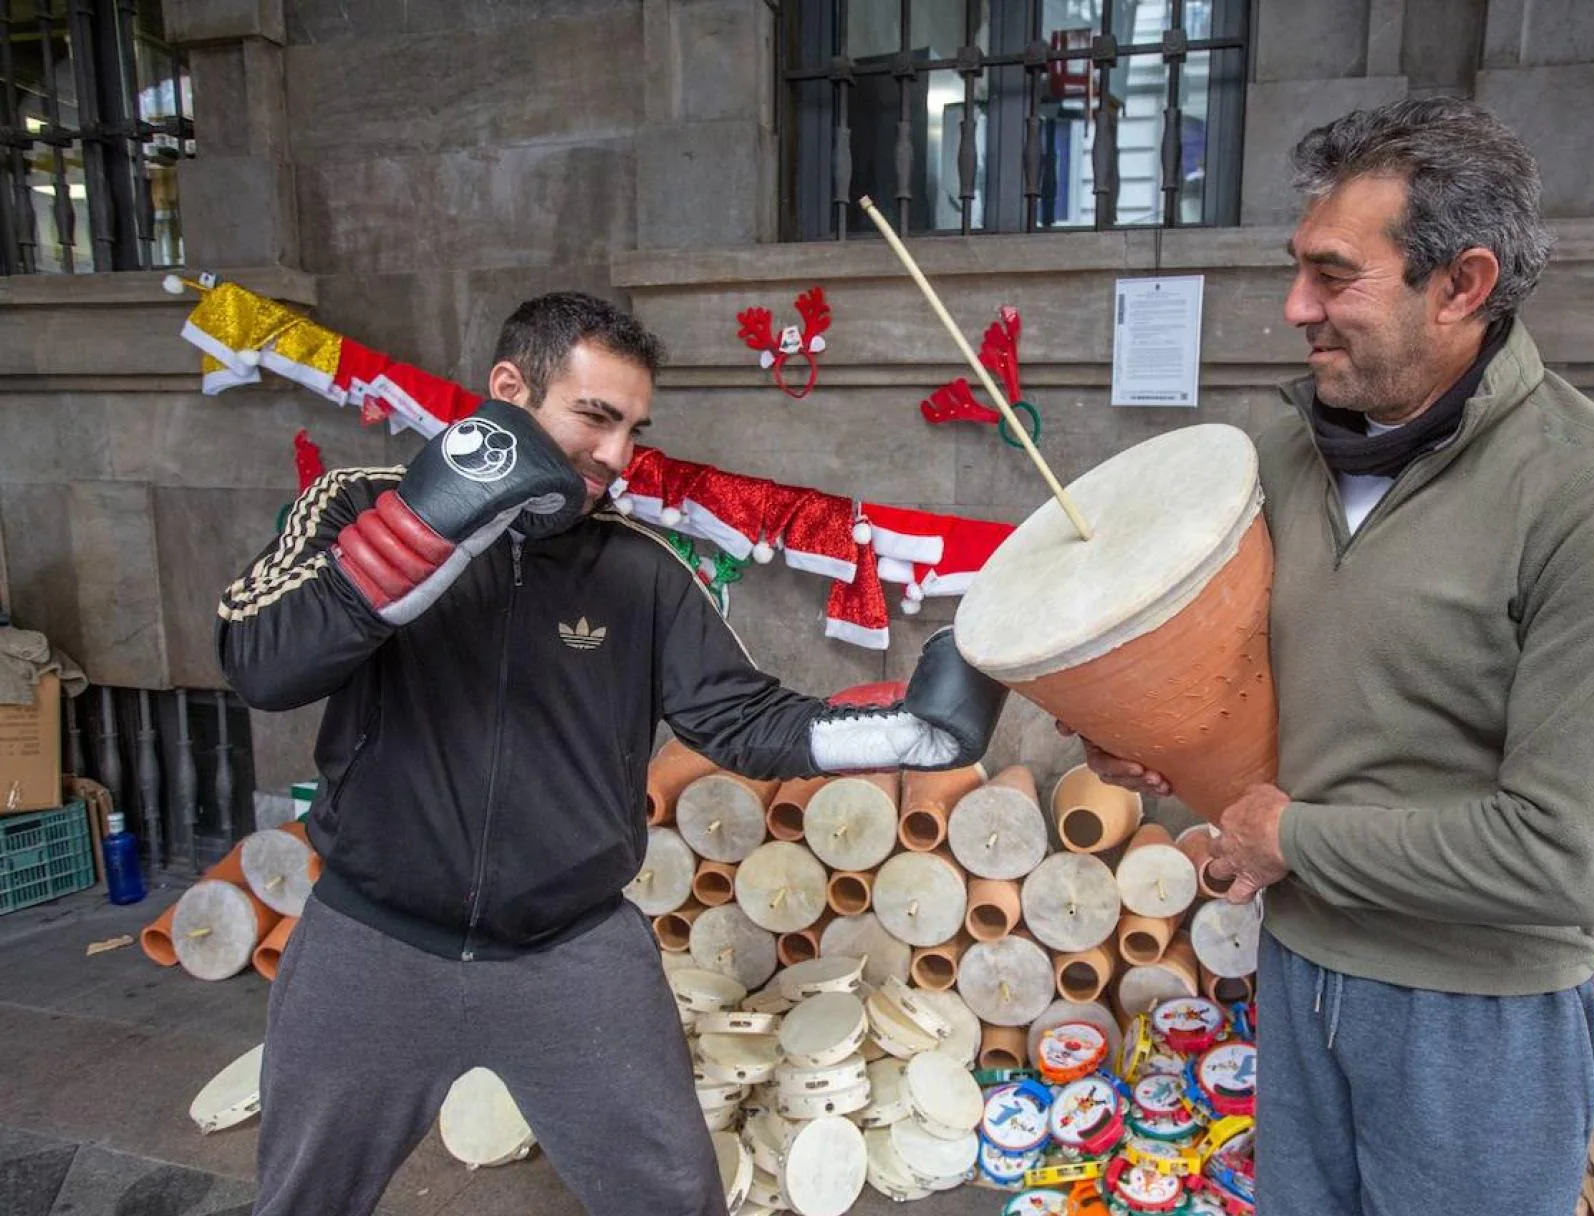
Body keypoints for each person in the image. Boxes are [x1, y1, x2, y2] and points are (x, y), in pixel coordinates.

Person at [217, 291, 1006, 1216]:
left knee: (673, 1201)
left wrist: (912, 735)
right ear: (509, 390)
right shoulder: (358, 503)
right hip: (372, 941)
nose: (617, 456)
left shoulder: (638, 568)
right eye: (596, 417)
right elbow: (262, 662)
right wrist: (424, 532)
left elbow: (744, 718)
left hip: (573, 954)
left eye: (632, 427)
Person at [1066, 99, 1594, 1213]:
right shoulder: (1268, 459)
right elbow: (1247, 697)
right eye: (1297, 269)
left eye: (1334, 276)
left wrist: (1289, 835)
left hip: (1478, 1022)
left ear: (1463, 284)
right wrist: (1149, 730)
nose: (1294, 308)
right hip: (1299, 973)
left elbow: (1566, 858)